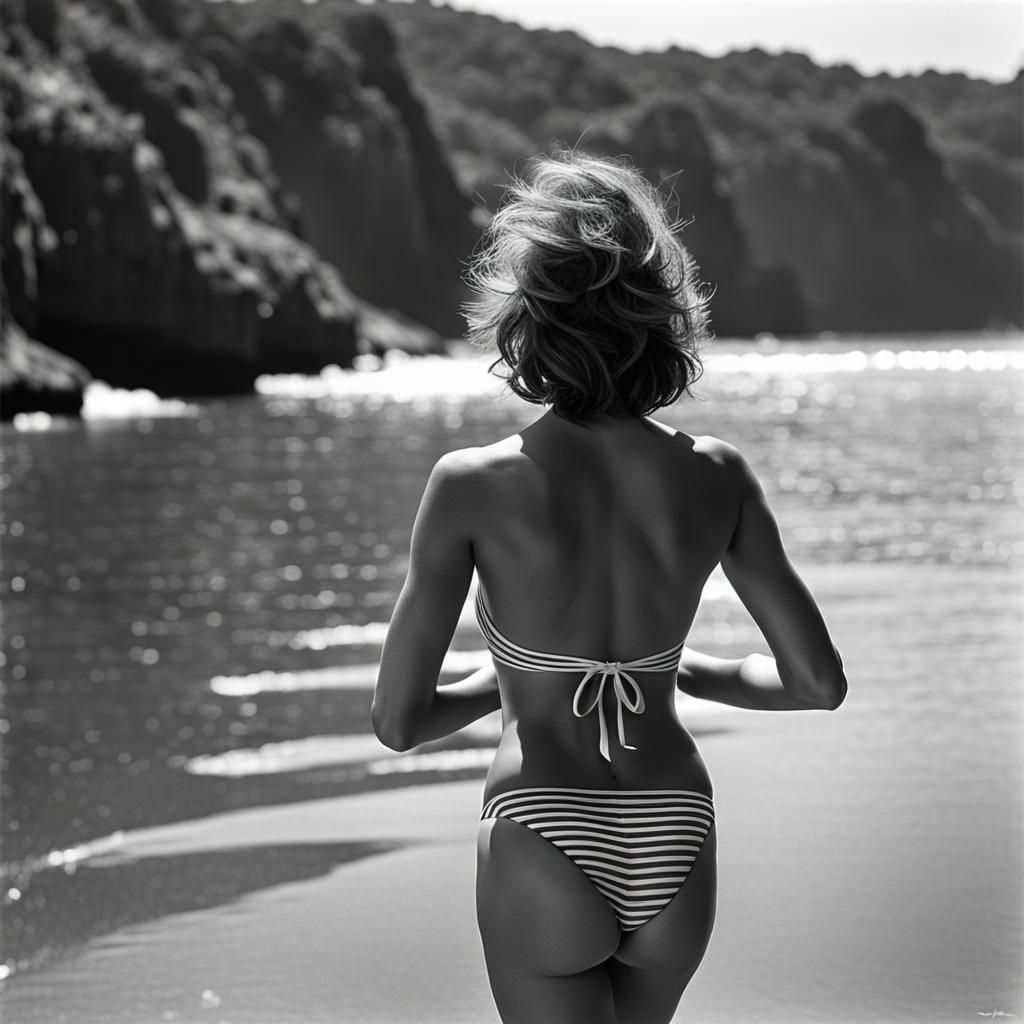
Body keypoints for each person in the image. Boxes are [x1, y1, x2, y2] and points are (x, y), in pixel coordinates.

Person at [372, 150, 847, 1024]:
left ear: (529, 319)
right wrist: (676, 669)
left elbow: (398, 723)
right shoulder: (718, 475)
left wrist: (512, 677)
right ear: (662, 314)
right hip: (675, 824)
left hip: (543, 821)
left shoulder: (471, 483)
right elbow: (818, 685)